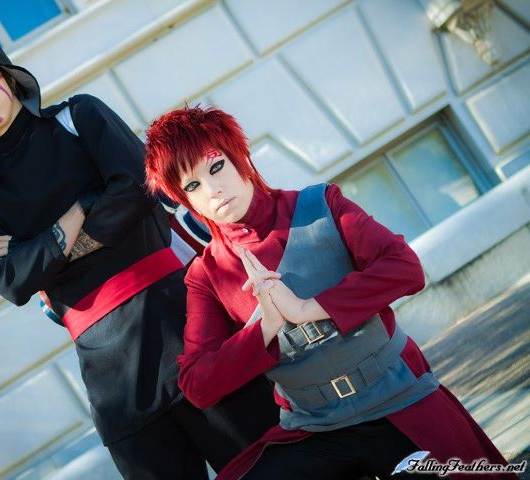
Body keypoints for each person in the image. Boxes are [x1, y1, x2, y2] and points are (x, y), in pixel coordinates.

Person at [0, 9, 278, 479]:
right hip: (113, 382)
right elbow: (13, 282)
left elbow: (136, 190)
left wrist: (41, 248)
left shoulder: (79, 117)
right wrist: (84, 205)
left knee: (270, 468)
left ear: (9, 76)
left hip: (187, 328)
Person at [144, 105, 513, 479]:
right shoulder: (207, 274)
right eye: (192, 186)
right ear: (184, 200)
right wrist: (265, 327)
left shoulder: (320, 205)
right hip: (315, 429)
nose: (213, 190)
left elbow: (404, 267)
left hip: (396, 399)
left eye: (216, 166)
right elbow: (198, 385)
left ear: (239, 156)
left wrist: (307, 308)